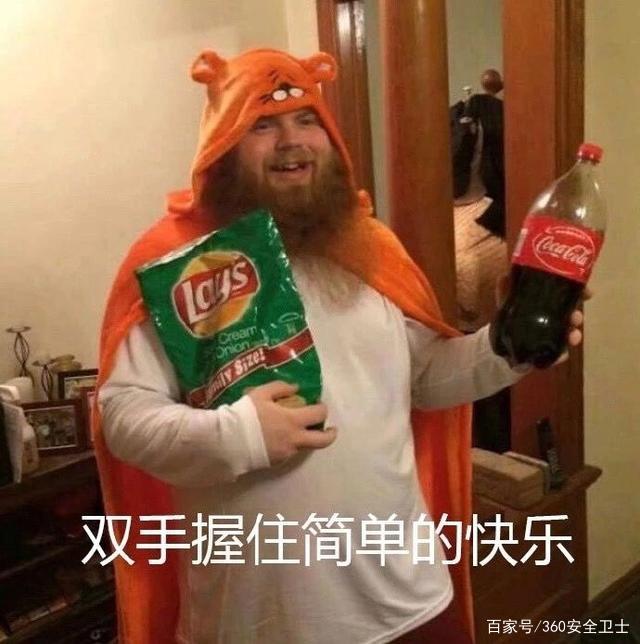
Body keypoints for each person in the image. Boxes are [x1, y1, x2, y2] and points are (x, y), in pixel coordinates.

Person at [94, 48, 586, 644]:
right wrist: (239, 434)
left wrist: (506, 348)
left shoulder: (370, 245)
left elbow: (425, 378)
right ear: (222, 146)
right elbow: (123, 415)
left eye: (307, 120)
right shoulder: (175, 264)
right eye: (262, 125)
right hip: (257, 622)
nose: (292, 141)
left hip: (403, 600)